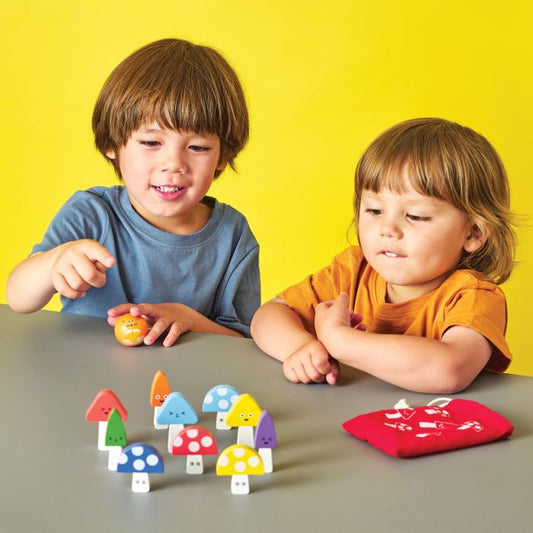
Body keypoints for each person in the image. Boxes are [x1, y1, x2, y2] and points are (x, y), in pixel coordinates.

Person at [6, 38, 260, 345]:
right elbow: (19, 299)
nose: (173, 164)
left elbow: (243, 342)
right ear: (113, 144)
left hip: (184, 389)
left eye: (197, 147)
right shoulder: (91, 213)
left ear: (222, 157)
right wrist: (54, 262)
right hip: (89, 382)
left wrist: (189, 319)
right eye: (151, 143)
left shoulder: (233, 234)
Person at [251, 118, 516, 393]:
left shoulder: (474, 297)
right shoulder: (353, 270)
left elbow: (449, 370)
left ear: (472, 233)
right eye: (375, 211)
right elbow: (269, 314)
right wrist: (301, 348)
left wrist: (340, 341)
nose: (387, 229)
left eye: (416, 216)